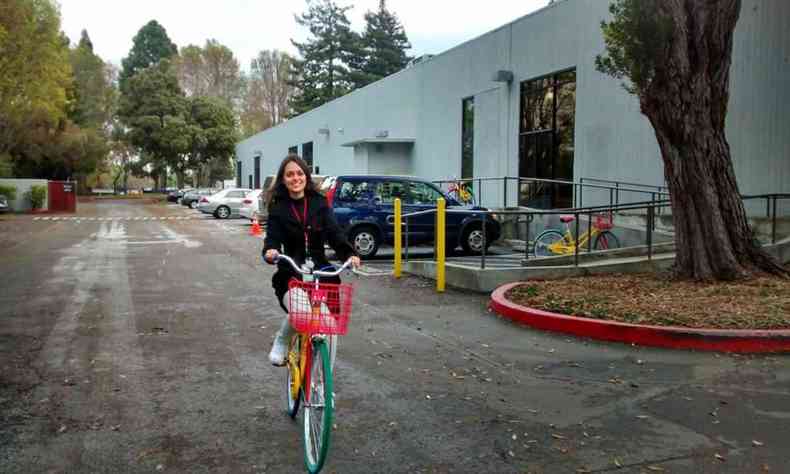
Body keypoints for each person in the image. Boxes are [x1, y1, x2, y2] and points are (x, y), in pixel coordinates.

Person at [262, 154, 361, 365]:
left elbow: (335, 234)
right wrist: (271, 251)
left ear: (306, 176)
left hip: (321, 273)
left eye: (299, 173)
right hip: (292, 273)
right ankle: (281, 340)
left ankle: (324, 384)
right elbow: (272, 238)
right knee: (302, 315)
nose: (295, 178)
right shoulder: (278, 207)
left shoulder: (319, 203)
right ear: (283, 179)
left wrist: (349, 254)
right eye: (290, 174)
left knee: (329, 328)